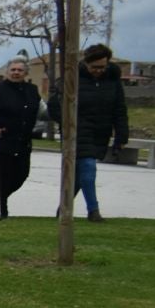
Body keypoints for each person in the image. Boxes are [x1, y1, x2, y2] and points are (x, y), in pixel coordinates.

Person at [52, 44, 128, 222]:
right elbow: (54, 106)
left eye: (102, 67)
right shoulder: (72, 78)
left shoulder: (113, 81)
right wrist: (67, 124)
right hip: (77, 132)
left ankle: (63, 208)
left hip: (100, 132)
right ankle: (93, 211)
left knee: (80, 176)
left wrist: (121, 136)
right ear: (86, 64)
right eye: (94, 67)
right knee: (88, 168)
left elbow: (119, 109)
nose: (98, 71)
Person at [0, 58, 42, 219]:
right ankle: (1, 211)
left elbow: (42, 110)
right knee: (1, 174)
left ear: (26, 72)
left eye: (20, 70)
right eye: (13, 70)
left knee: (21, 174)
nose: (16, 72)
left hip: (22, 140)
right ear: (7, 72)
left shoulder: (32, 90)